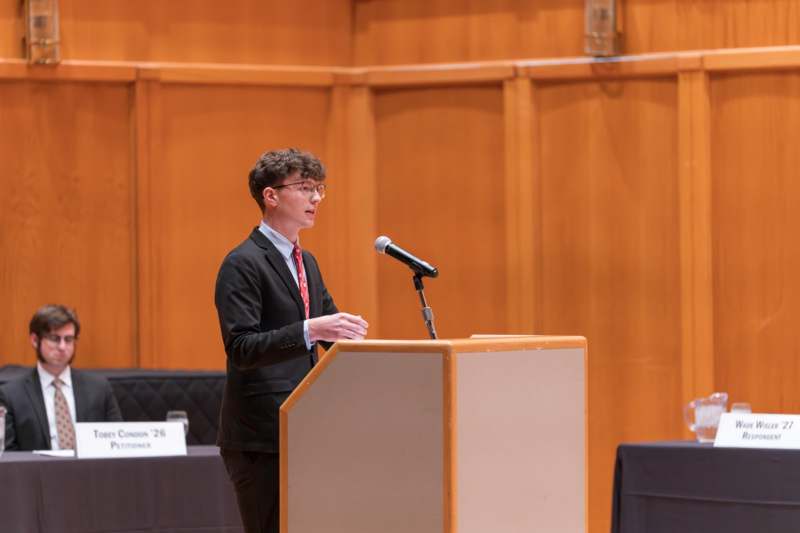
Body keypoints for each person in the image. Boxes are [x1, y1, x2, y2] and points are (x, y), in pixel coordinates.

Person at [215, 148, 368, 533]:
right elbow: (241, 348)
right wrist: (311, 330)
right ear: (271, 195)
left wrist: (360, 348)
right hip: (261, 437)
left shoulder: (307, 262)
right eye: (305, 187)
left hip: (305, 427)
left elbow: (333, 335)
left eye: (320, 189)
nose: (317, 198)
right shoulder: (242, 262)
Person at [0, 304, 122, 451]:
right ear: (34, 340)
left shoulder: (99, 389)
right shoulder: (10, 395)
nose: (63, 347)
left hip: (90, 472)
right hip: (36, 473)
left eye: (69, 339)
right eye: (54, 338)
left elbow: (117, 445)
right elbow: (8, 456)